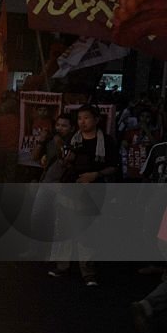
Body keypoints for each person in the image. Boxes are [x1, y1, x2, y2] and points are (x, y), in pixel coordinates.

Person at [49, 105, 120, 287]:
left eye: (86, 118)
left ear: (96, 120)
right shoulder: (72, 141)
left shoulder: (107, 142)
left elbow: (114, 166)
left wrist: (95, 175)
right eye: (80, 118)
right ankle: (62, 265)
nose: (82, 122)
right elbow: (64, 163)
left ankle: (88, 271)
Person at [0, 98, 20, 182]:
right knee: (10, 174)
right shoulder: (18, 120)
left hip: (1, 149)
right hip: (13, 150)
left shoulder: (0, 119)